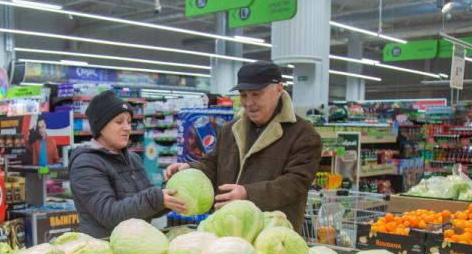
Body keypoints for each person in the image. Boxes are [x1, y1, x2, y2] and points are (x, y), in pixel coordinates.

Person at [164, 60, 322, 229]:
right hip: (228, 228)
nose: (248, 102)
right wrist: (190, 168)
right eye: (244, 95)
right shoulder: (230, 129)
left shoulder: (303, 134)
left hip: (272, 235)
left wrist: (248, 194)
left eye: (256, 94)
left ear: (278, 90)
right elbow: (212, 164)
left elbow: (295, 183)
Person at [69, 90, 188, 238]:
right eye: (119, 122)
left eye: (129, 121)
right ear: (101, 127)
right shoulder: (85, 164)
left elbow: (146, 206)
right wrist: (155, 198)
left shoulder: (133, 158)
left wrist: (171, 193)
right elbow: (109, 214)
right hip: (105, 249)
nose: (127, 128)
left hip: (138, 244)